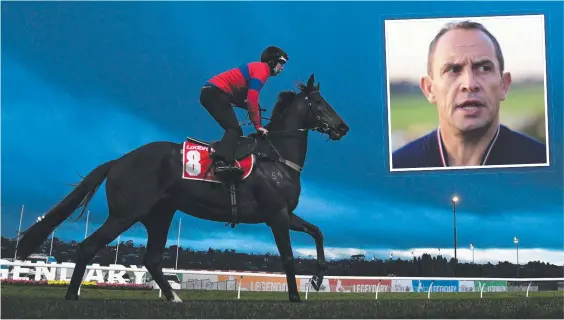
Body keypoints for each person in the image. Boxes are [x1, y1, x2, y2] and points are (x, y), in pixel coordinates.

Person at [391, 20, 547, 169]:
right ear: (429, 89)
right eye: (453, 70)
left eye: (484, 68)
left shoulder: (544, 164)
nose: (469, 84)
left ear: (504, 85)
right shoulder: (397, 169)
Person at [200, 46, 289, 175]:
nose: (282, 68)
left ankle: (222, 156)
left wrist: (251, 107)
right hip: (215, 93)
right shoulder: (262, 71)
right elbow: (252, 99)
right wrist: (258, 126)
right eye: (281, 63)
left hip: (212, 92)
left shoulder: (258, 68)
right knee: (234, 130)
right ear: (272, 61)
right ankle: (220, 162)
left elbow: (243, 98)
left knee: (234, 130)